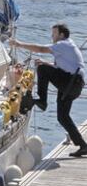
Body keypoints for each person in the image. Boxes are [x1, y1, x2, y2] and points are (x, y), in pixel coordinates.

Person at [9, 23, 87, 157]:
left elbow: (40, 48)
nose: (52, 36)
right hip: (74, 84)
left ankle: (42, 101)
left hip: (71, 82)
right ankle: (83, 146)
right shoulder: (68, 46)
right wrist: (45, 62)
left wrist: (19, 44)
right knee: (62, 117)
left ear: (61, 35)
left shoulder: (63, 44)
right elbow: (60, 66)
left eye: (54, 33)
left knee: (42, 69)